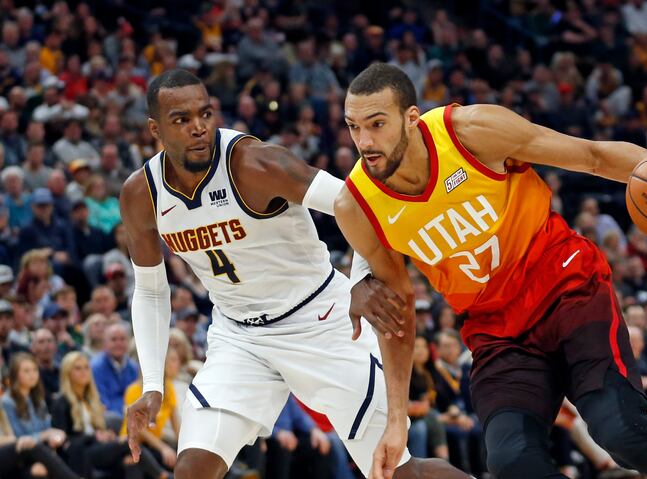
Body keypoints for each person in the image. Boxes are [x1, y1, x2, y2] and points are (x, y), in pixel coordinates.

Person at [335, 63, 647, 479]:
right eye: (353, 127)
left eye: (377, 124)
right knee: (512, 462)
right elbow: (396, 312)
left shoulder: (472, 132)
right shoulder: (356, 206)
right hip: (497, 330)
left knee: (622, 432)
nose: (364, 142)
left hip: (566, 288)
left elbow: (592, 156)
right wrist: (397, 420)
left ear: (411, 118)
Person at [121, 69, 466, 479]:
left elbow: (361, 203)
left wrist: (360, 278)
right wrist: (153, 385)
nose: (199, 128)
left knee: (395, 473)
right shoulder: (141, 194)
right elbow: (151, 292)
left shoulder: (257, 164)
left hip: (320, 321)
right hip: (240, 336)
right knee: (192, 470)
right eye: (182, 119)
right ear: (155, 129)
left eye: (205, 114)